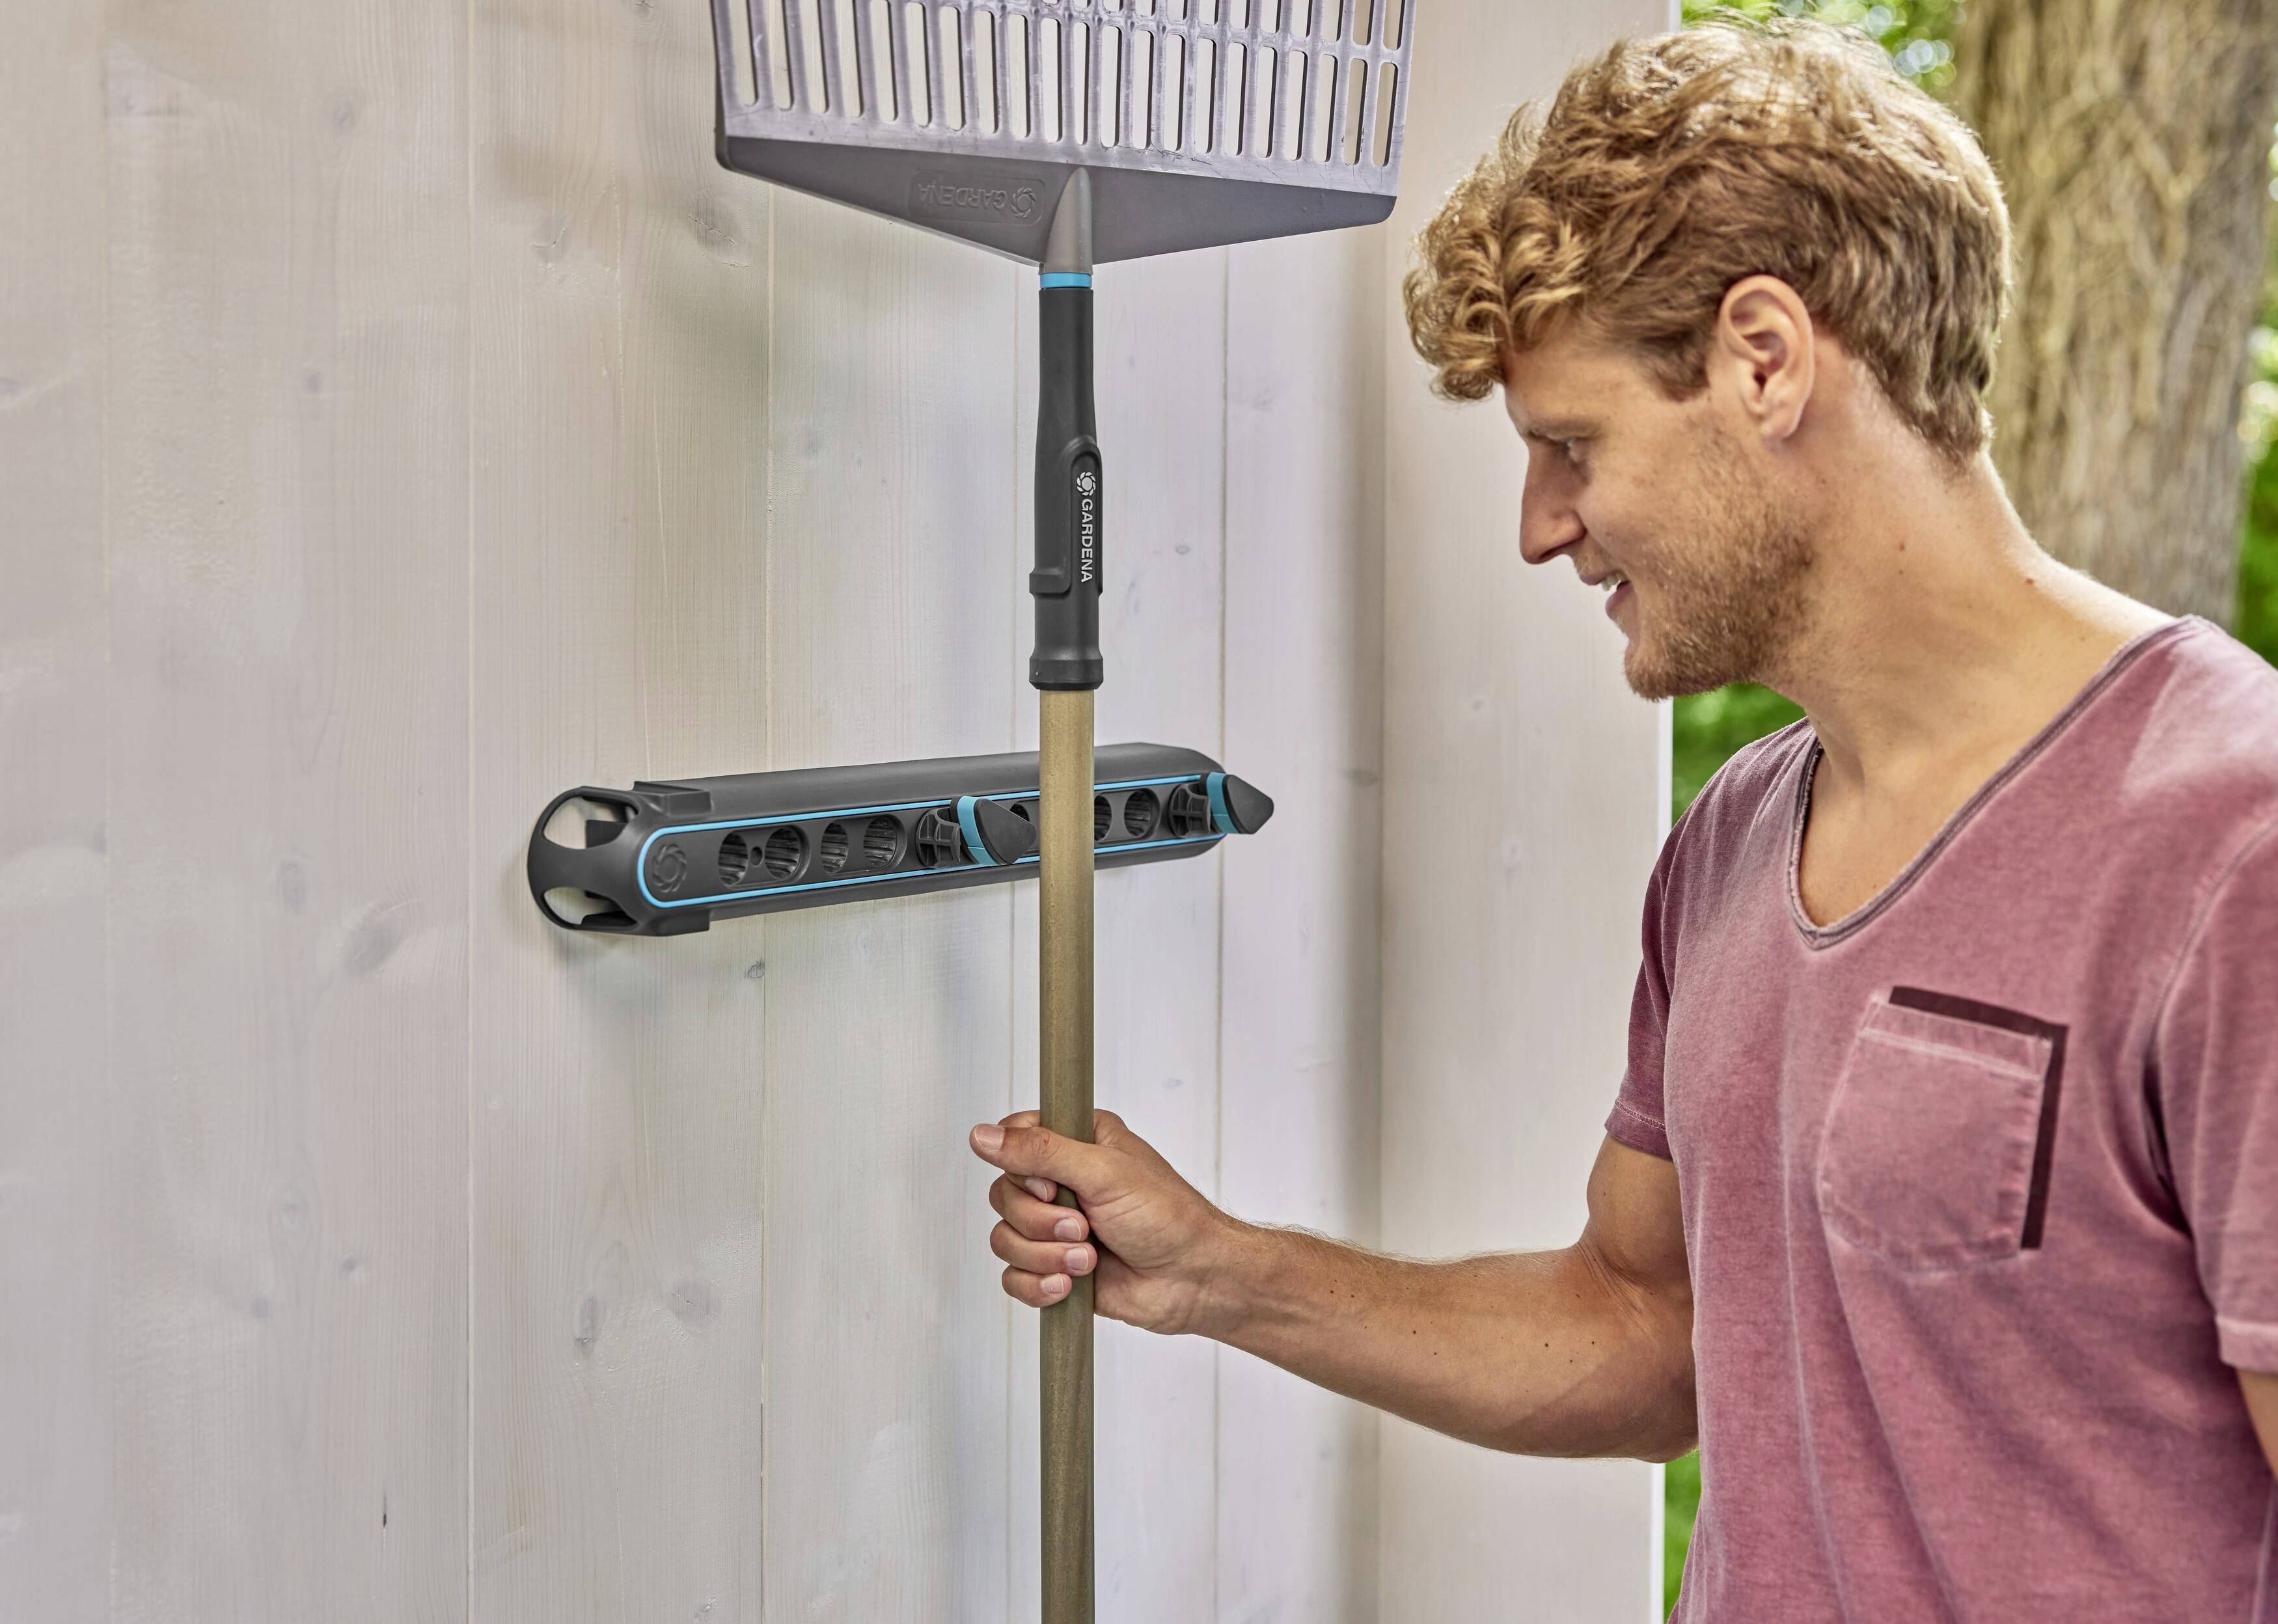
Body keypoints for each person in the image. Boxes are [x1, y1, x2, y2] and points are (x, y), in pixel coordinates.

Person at [969, 18, 2278, 1619]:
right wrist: (1219, 1271)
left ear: (1763, 358)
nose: (1540, 529)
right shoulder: (1734, 837)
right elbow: (1647, 1328)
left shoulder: (2229, 845)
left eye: (1570, 445)